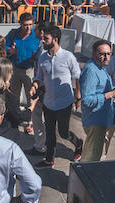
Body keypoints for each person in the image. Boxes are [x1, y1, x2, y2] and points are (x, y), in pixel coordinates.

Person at [31, 24, 82, 167]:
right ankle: (49, 160)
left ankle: (78, 143)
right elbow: (39, 77)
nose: (43, 41)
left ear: (55, 39)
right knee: (50, 133)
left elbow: (77, 76)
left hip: (64, 103)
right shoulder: (42, 58)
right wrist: (34, 85)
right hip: (48, 103)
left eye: (46, 39)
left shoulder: (68, 57)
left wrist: (78, 95)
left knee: (63, 133)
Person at [79, 40, 115, 161]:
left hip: (102, 118)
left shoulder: (101, 67)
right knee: (91, 158)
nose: (106, 57)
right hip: (95, 121)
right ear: (94, 54)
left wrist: (114, 96)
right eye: (102, 54)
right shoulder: (91, 71)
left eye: (108, 54)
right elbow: (87, 100)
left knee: (94, 154)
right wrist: (109, 95)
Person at [5, 12, 41, 108]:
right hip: (15, 69)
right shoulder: (13, 34)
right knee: (14, 96)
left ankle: (30, 119)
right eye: (25, 25)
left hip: (30, 71)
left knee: (31, 96)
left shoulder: (36, 36)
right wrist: (9, 50)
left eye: (30, 24)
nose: (28, 28)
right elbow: (5, 46)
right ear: (20, 24)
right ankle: (15, 116)